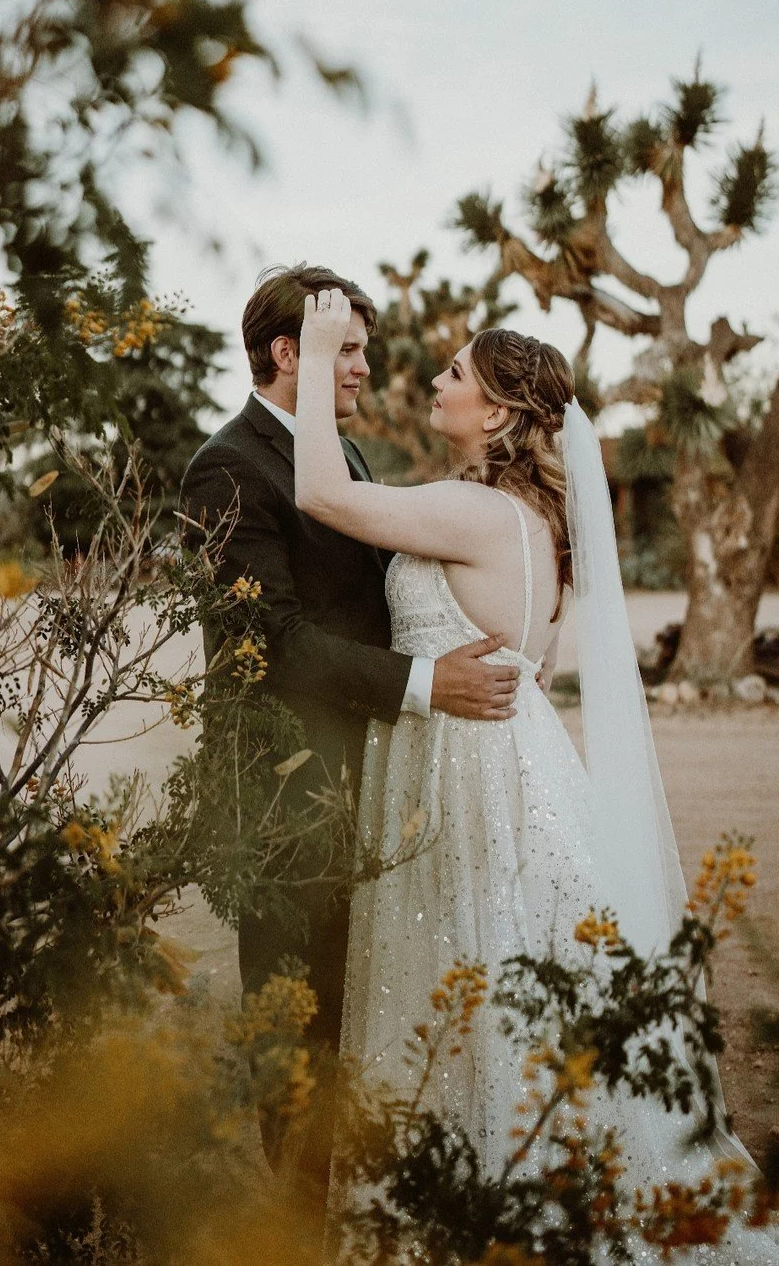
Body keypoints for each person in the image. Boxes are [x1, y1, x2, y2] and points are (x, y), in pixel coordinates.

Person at [292, 287, 778, 1263]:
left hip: (465, 778)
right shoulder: (532, 521)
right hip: (512, 765)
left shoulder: (474, 510)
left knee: (470, 978)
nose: (436, 380)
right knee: (505, 978)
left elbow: (322, 495)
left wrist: (314, 352)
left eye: (455, 373)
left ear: (502, 411)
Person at [179, 264, 520, 1216]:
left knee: (359, 1024)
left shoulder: (346, 461)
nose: (366, 368)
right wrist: (425, 685)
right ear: (291, 353)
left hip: (367, 785)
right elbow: (270, 645)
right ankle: (294, 1229)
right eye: (349, 349)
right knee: (295, 1033)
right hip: (286, 801)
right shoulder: (227, 468)